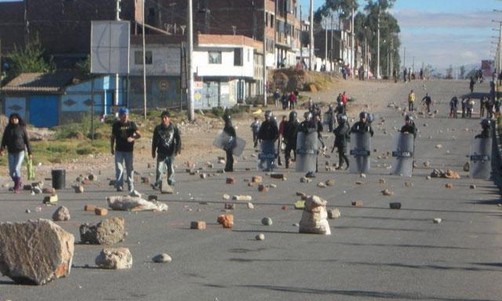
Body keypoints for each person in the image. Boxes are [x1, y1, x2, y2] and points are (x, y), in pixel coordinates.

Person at [111, 108, 141, 195]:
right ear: (120, 116)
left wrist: (133, 138)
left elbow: (139, 134)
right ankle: (119, 185)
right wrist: (111, 148)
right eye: (123, 115)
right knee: (119, 169)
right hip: (119, 150)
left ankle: (130, 185)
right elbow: (113, 137)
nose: (125, 117)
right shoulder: (116, 125)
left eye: (126, 115)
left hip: (129, 150)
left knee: (129, 168)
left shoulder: (131, 124)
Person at [0, 113, 32, 193]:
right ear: (10, 120)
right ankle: (18, 182)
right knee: (11, 171)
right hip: (11, 151)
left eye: (15, 118)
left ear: (18, 119)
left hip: (20, 151)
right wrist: (2, 149)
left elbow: (27, 141)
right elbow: (4, 140)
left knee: (16, 168)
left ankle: (17, 187)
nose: (14, 120)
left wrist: (30, 153)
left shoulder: (22, 128)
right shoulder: (8, 129)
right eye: (12, 119)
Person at [151, 110, 181, 189]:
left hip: (170, 152)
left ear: (169, 119)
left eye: (165, 118)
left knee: (170, 168)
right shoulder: (158, 128)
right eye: (162, 118)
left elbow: (178, 139)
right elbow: (154, 140)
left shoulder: (173, 128)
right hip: (161, 152)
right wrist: (153, 151)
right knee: (159, 169)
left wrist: (178, 149)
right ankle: (158, 182)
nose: (164, 119)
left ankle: (170, 181)